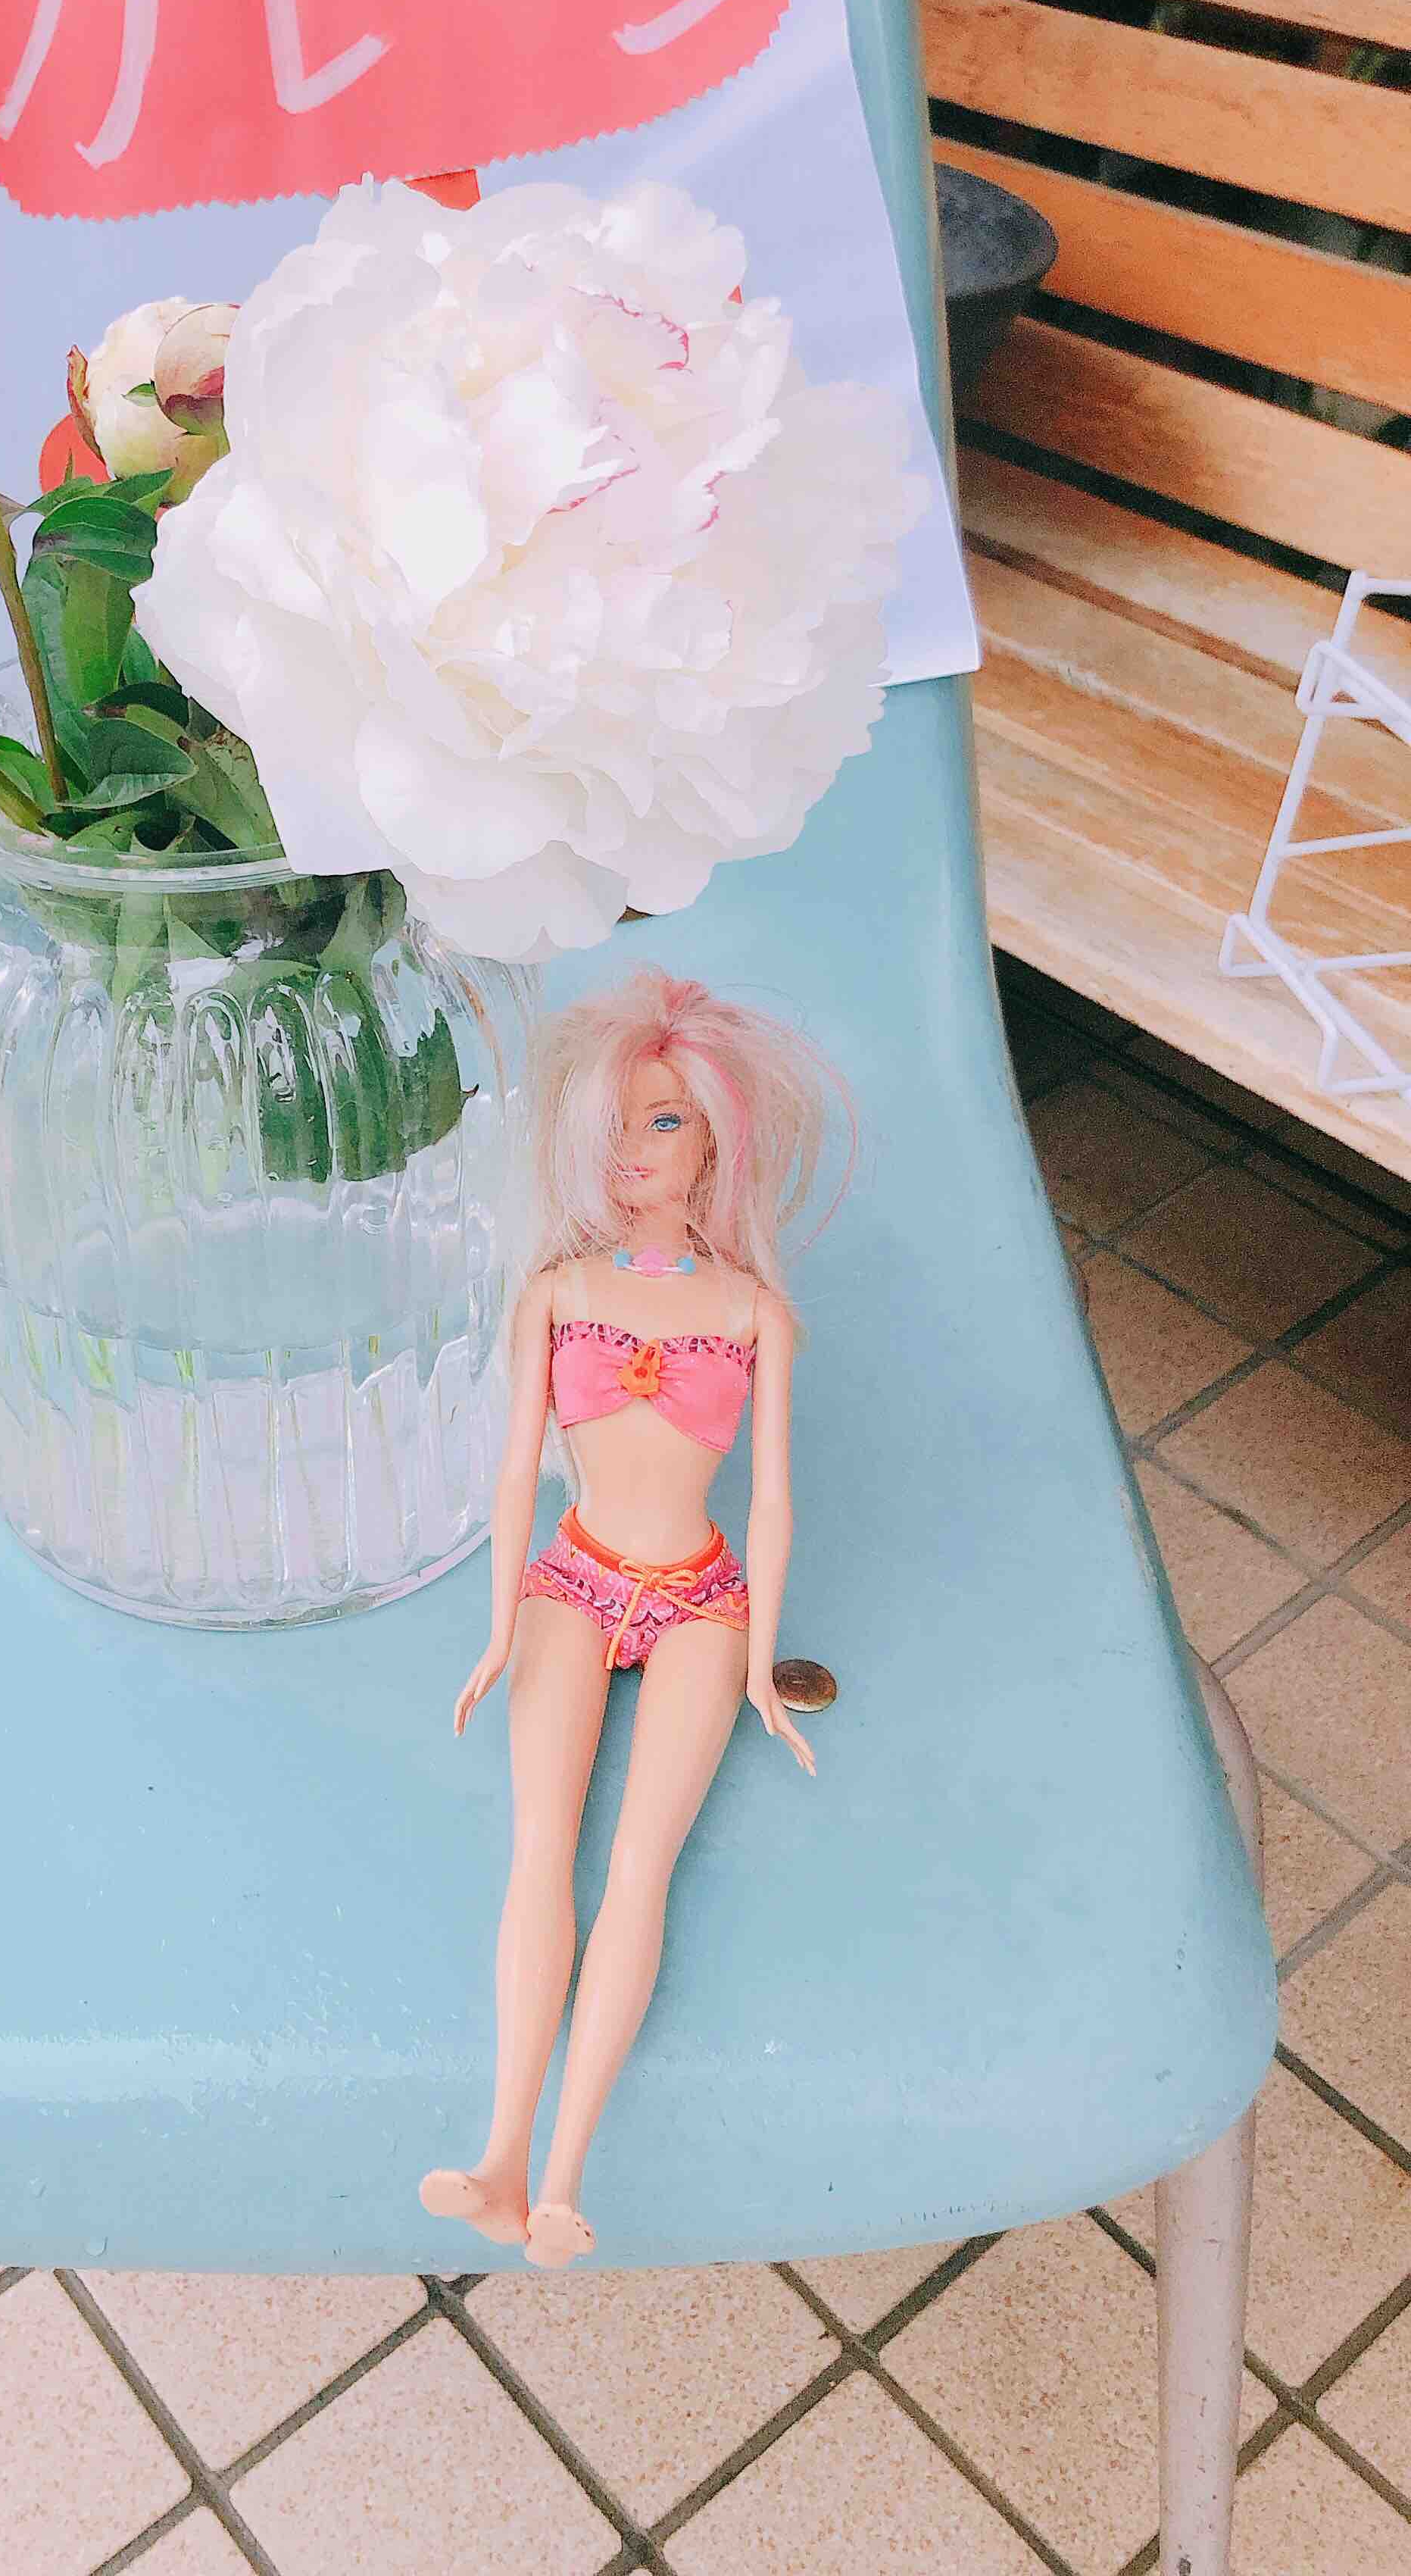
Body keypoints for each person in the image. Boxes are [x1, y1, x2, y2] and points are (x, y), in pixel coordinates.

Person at [420, 964, 850, 2268]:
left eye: (664, 1120)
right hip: (576, 1575)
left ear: (718, 1137)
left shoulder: (754, 1311)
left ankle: (565, 2176)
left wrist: (762, 1661)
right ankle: (501, 2149)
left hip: (704, 1594)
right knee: (540, 1847)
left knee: (640, 1868)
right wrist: (500, 1629)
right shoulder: (556, 1289)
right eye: (616, 1121)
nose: (634, 1148)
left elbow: (772, 1500)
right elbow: (515, 1473)